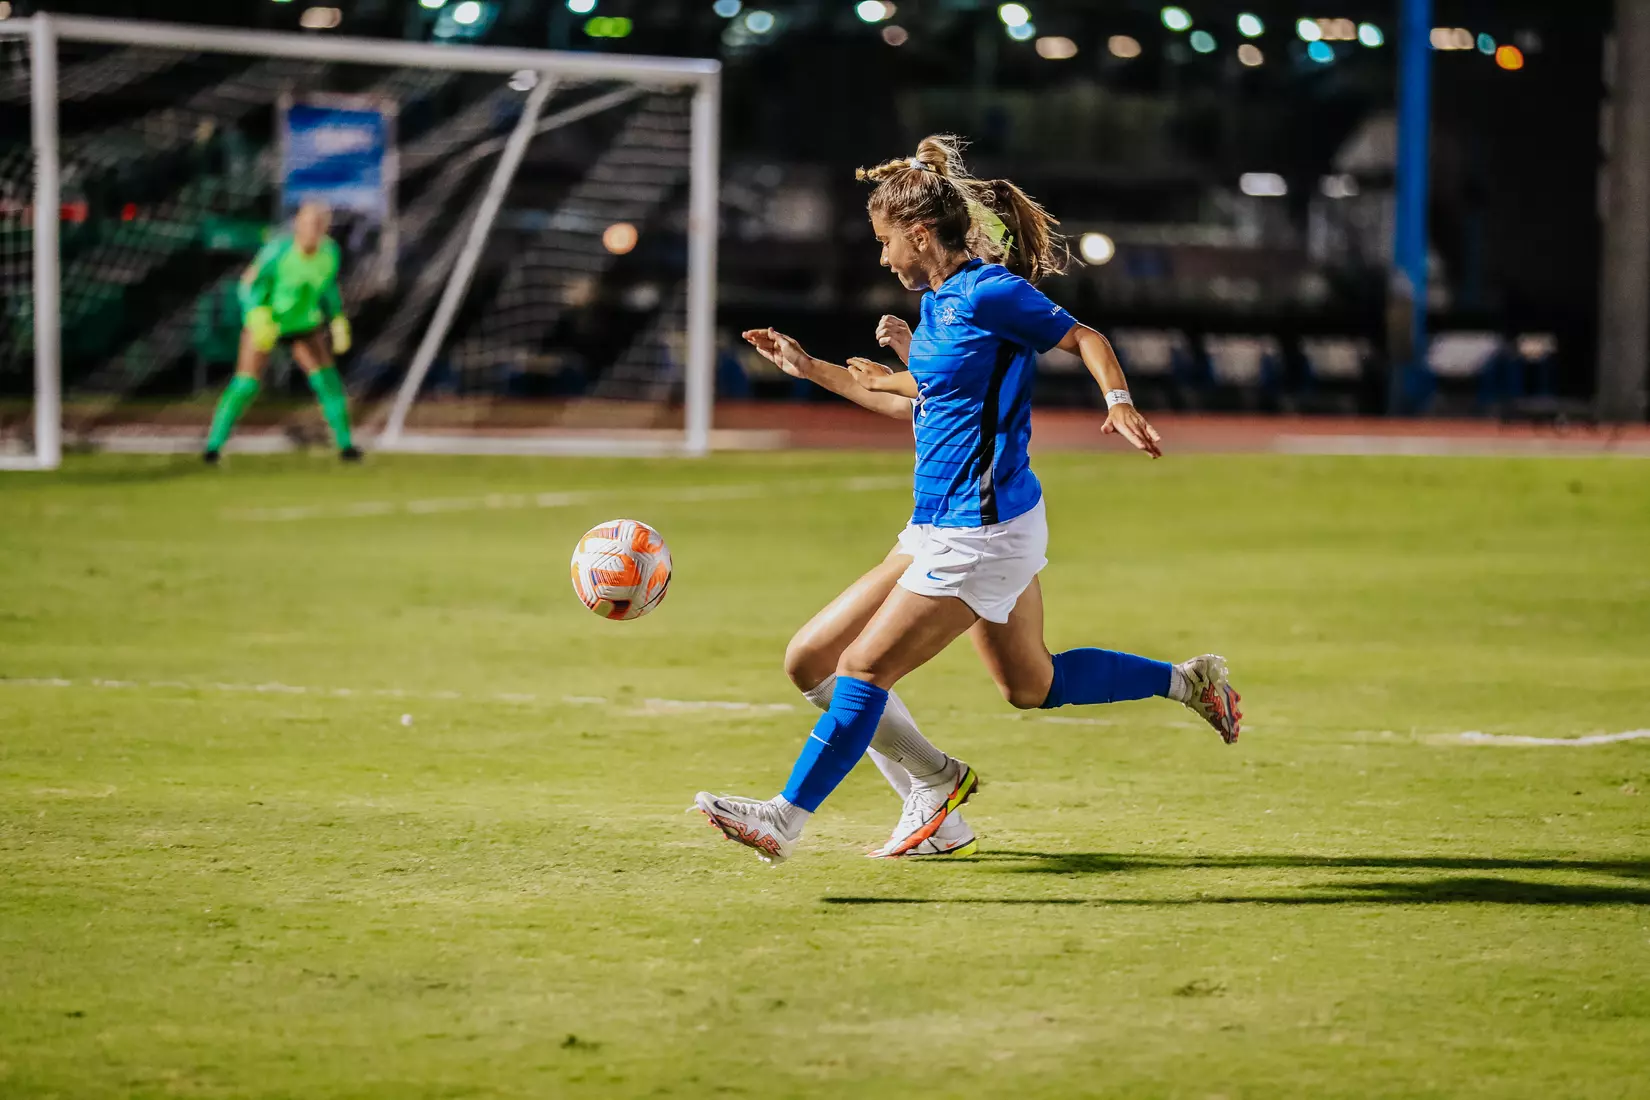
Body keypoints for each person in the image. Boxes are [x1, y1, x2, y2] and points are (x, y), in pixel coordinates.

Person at [694, 136, 1241, 864]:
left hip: (980, 533)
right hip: (942, 527)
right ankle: (1185, 683)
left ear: (920, 234)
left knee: (860, 669)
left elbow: (1085, 336)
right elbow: (917, 403)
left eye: (886, 241)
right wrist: (809, 366)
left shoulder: (991, 293)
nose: (883, 258)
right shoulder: (943, 307)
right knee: (999, 680)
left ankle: (786, 820)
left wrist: (1119, 401)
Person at [203, 202, 360, 463]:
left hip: (303, 325)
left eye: (319, 225)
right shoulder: (278, 251)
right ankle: (213, 447)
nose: (313, 230)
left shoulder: (330, 253)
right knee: (246, 384)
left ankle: (346, 447)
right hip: (269, 322)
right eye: (309, 223)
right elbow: (247, 284)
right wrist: (256, 315)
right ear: (297, 224)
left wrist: (337, 318)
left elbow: (328, 287)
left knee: (327, 381)